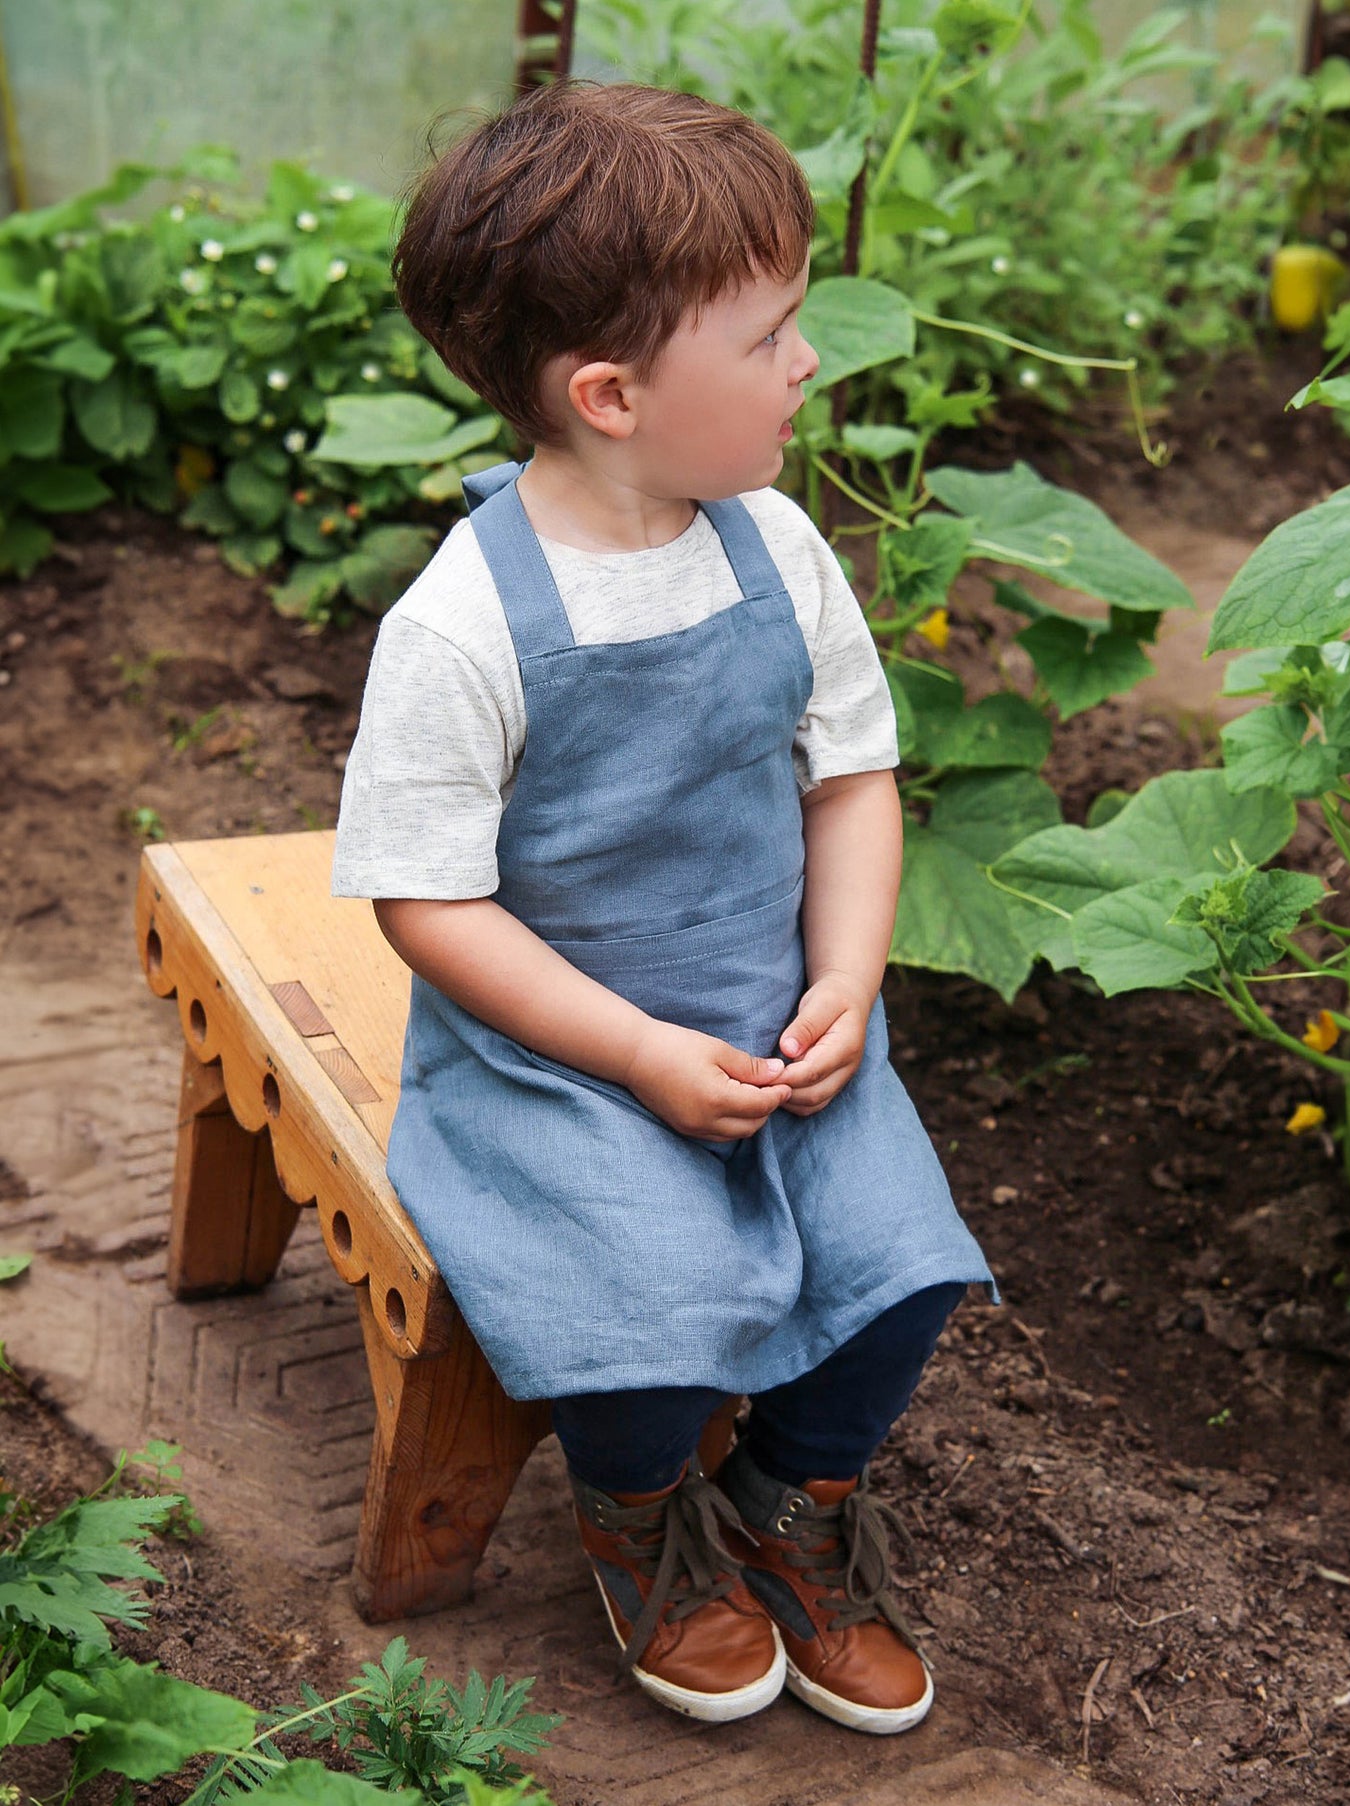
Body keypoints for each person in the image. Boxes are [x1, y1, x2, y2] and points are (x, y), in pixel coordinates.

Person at [332, 80, 994, 1736]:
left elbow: (847, 776)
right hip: (558, 1056)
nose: (808, 363)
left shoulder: (778, 547)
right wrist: (630, 1055)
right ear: (612, 393)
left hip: (776, 1020)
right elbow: (427, 902)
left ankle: (790, 1495)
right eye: (770, 335)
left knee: (904, 1257)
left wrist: (844, 972)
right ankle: (636, 1508)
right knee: (645, 1298)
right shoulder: (464, 622)